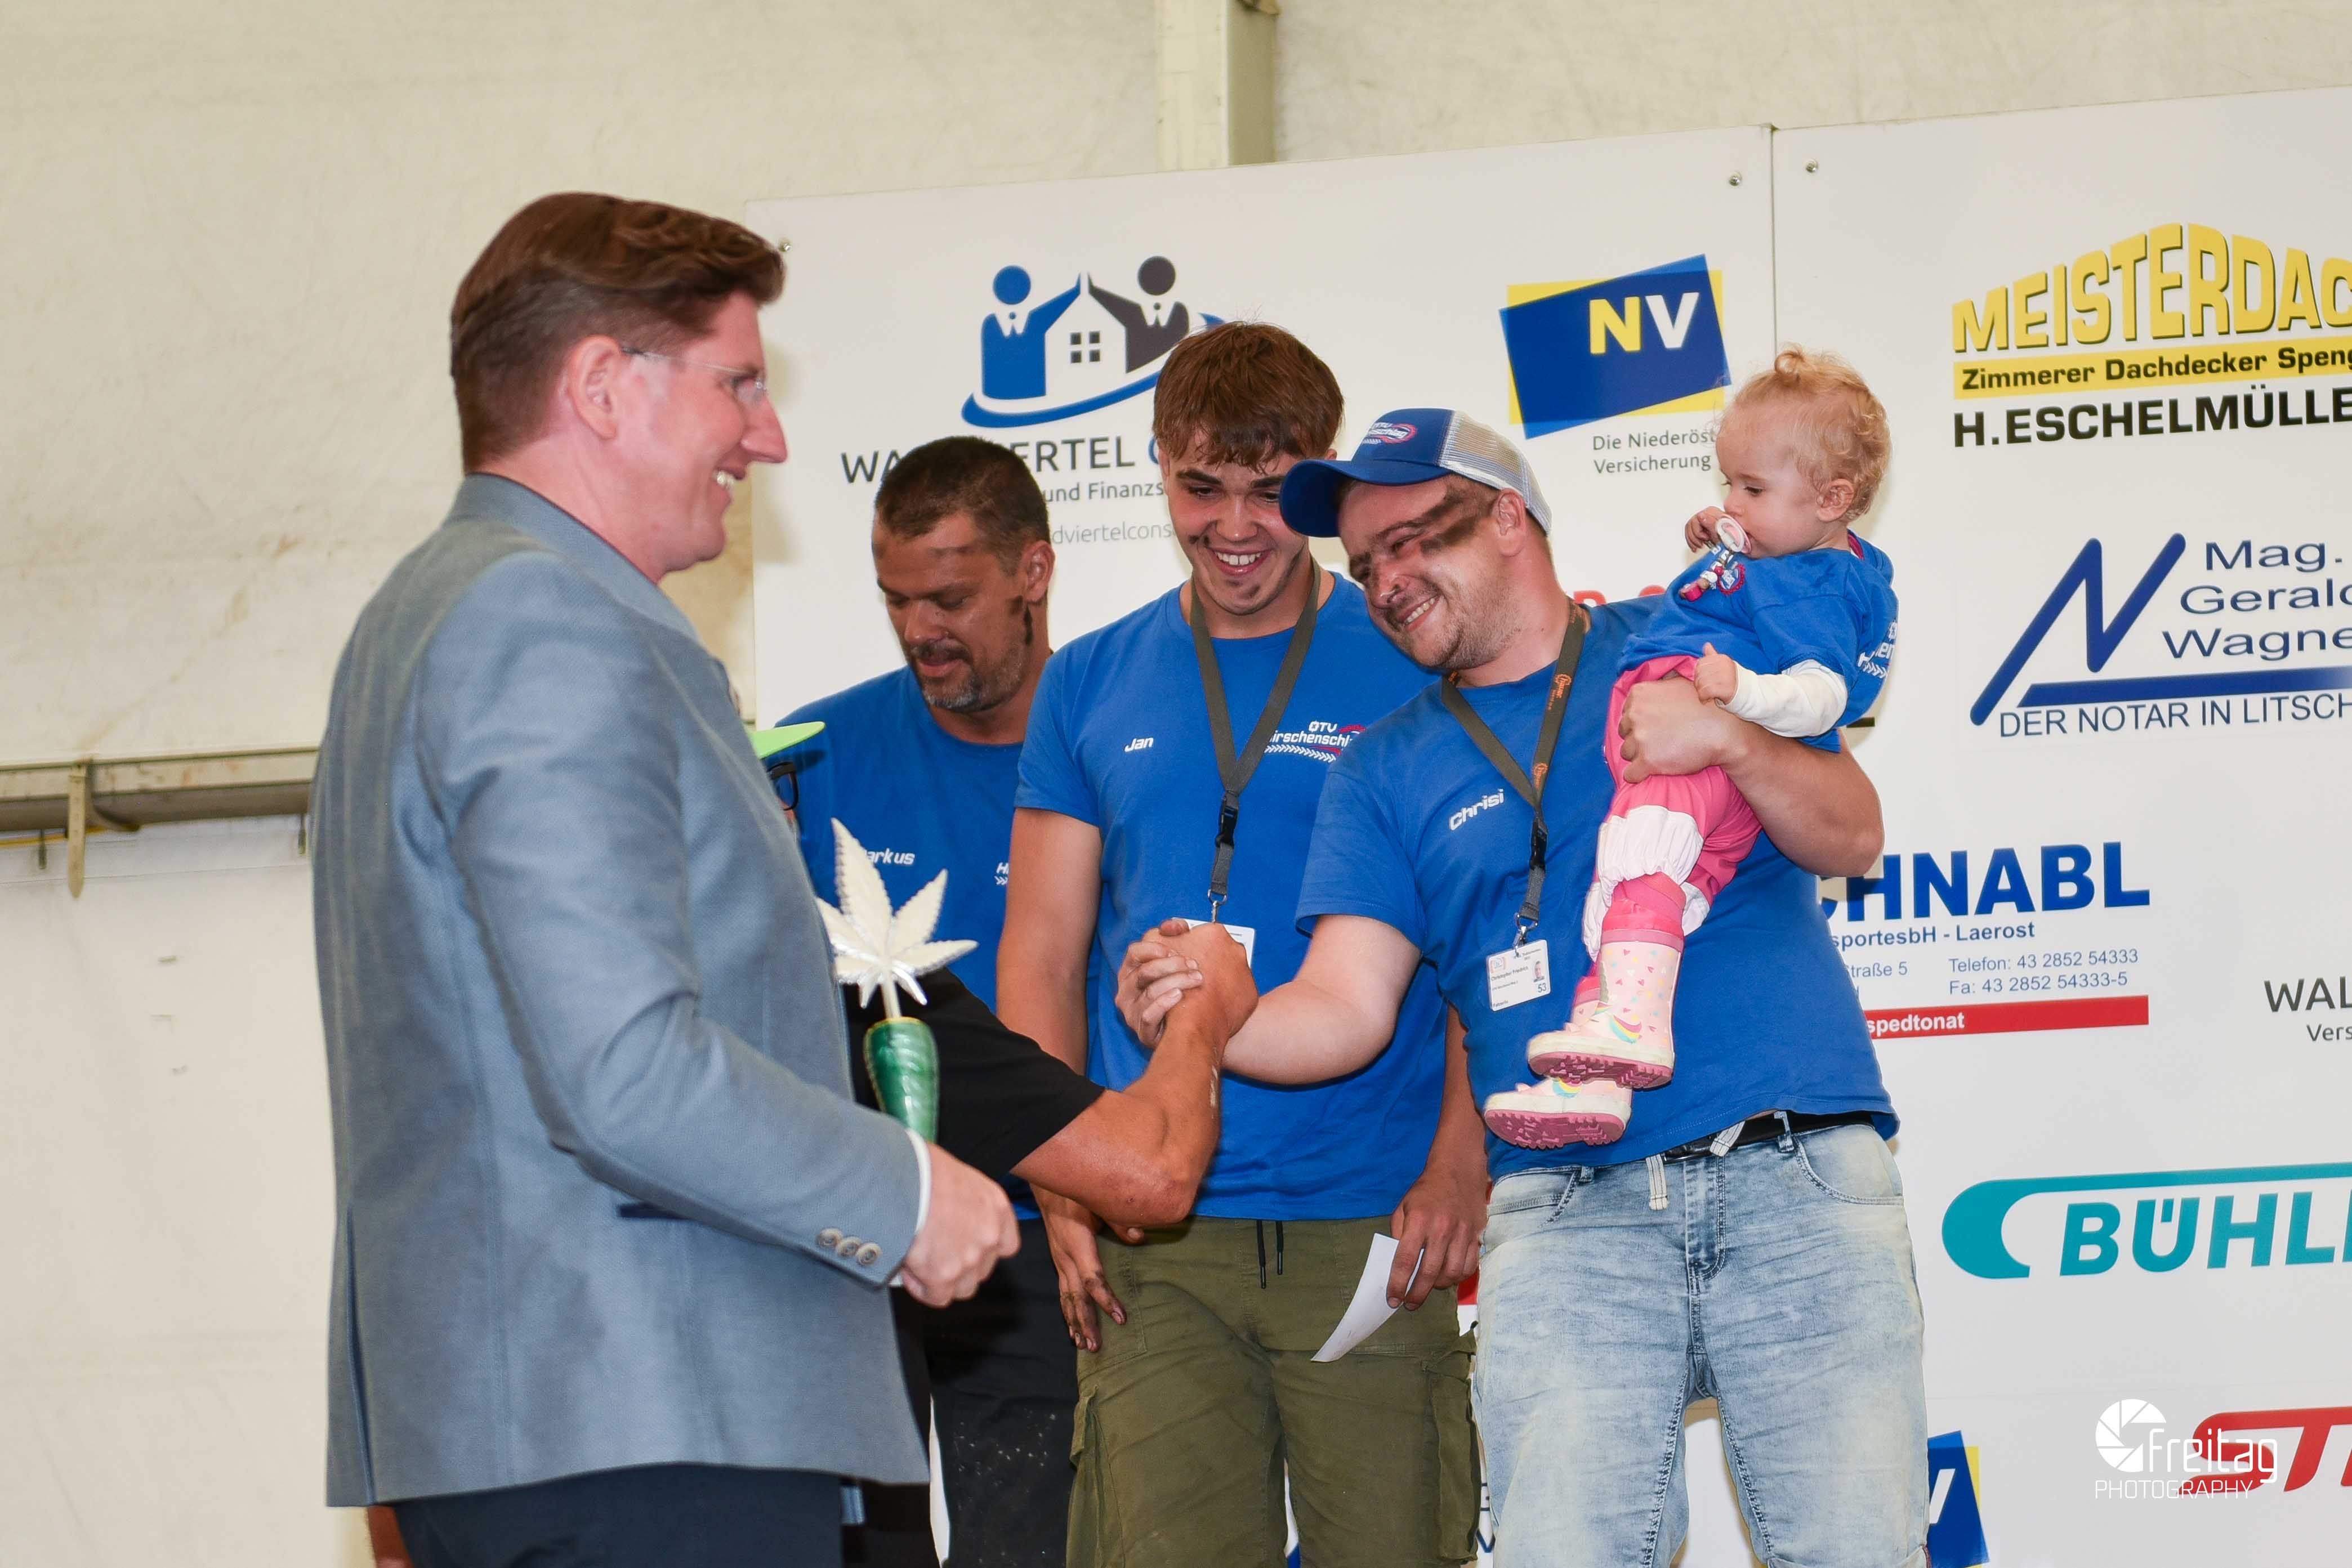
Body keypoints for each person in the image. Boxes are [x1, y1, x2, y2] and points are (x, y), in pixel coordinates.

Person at [311, 191, 1018, 1568]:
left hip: (570, 1418)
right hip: (638, 1417)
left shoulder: (429, 613)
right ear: (600, 387)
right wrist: (905, 1191)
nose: (769, 435)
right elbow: (621, 1066)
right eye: (737, 384)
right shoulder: (542, 618)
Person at [1123, 407, 1927, 1567]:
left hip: (1789, 1170)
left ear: (1509, 517)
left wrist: (1726, 738)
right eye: (1366, 562)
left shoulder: (1684, 636)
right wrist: (1210, 1013)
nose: (1386, 582)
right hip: (1563, 1212)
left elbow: (1851, 834)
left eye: (1412, 540)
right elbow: (1344, 1007)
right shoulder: (1382, 767)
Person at [997, 324, 1487, 1568]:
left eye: (1269, 492)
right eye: (1199, 486)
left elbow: (1480, 930)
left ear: (1318, 479)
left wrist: (1457, 1157)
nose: (1232, 526)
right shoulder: (1087, 680)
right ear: (1158, 467)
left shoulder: (1413, 660)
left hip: (1374, 1222)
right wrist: (1060, 1178)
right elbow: (1041, 954)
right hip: (1151, 1237)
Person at [775, 435, 1074, 1566]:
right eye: (895, 600)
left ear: (1033, 571)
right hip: (857, 1238)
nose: (918, 630)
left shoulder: (1109, 743)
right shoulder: (807, 757)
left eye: (948, 598)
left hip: (1042, 1241)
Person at [1485, 350, 1899, 1144]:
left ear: (1832, 499)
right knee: (1632, 890)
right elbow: (1740, 575)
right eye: (1728, 485)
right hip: (1691, 731)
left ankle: (1633, 1026)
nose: (1731, 504)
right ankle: (1599, 1084)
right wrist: (1726, 535)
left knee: (1642, 860)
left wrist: (1731, 702)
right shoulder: (1792, 555)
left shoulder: (1817, 586)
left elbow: (1821, 692)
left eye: (1752, 489)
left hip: (1699, 738)